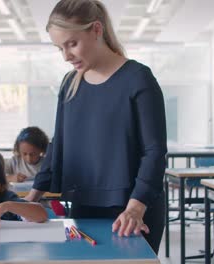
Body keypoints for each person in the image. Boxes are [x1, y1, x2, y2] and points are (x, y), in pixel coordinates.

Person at [24, 0, 167, 253]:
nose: (66, 56)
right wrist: (31, 198)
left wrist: (136, 207)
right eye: (60, 48)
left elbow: (154, 152)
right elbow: (59, 143)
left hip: (132, 209)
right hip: (84, 204)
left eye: (72, 44)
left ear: (97, 30)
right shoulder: (70, 84)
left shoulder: (138, 78)